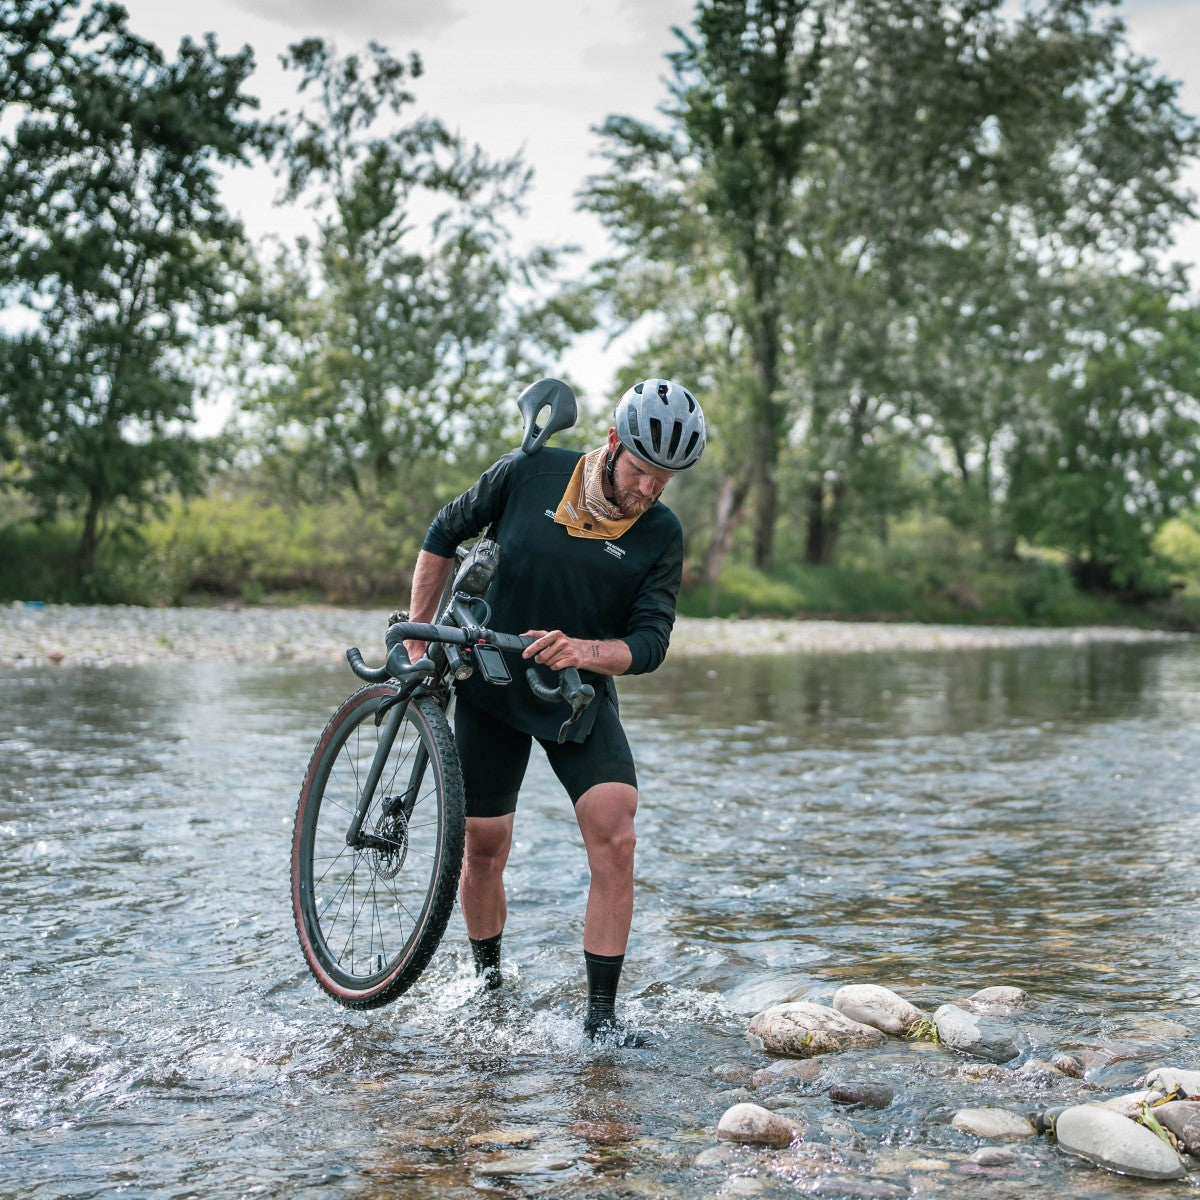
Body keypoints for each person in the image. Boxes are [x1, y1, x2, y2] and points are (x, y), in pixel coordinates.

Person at [402, 377, 706, 1043]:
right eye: (644, 470)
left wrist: (586, 652)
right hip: (488, 680)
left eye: (667, 478)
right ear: (612, 442)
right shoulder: (532, 471)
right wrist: (421, 631)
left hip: (573, 693)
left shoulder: (661, 533)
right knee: (484, 845)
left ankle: (600, 1022)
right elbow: (443, 531)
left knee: (617, 832)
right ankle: (488, 987)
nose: (651, 488)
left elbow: (650, 642)